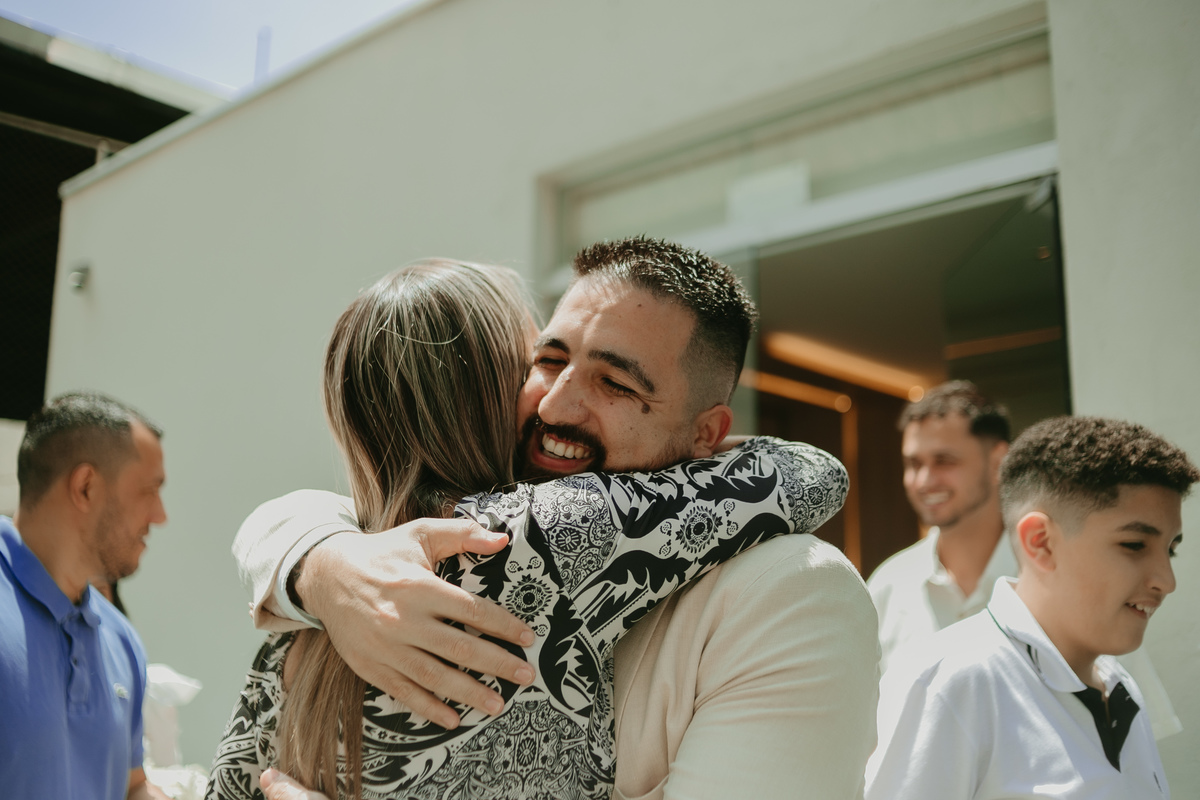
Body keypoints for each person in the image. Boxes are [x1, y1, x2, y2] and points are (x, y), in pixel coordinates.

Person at [233, 238, 880, 800]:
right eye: (546, 362)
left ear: (706, 432)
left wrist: (314, 562)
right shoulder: (435, 549)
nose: (555, 405)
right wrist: (321, 559)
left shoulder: (790, 592)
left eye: (616, 383)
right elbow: (810, 473)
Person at [865, 416, 1197, 799]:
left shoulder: (1122, 686)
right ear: (1040, 542)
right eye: (1134, 545)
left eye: (1170, 550)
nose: (1166, 581)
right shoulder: (948, 683)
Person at [0, 392, 170, 800]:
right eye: (149, 490)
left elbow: (131, 786)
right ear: (86, 487)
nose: (160, 516)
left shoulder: (123, 640)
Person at [866, 381, 1012, 672]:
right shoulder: (887, 587)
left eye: (944, 461)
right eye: (913, 464)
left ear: (998, 461)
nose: (924, 481)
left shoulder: (1052, 578)